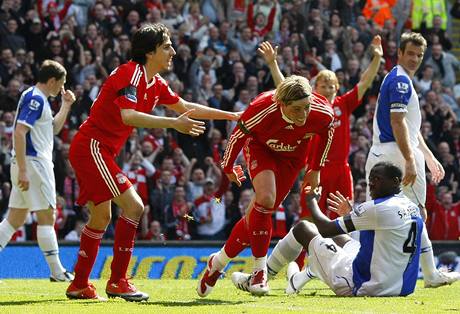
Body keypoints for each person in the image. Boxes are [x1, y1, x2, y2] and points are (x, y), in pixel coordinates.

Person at [66, 23, 241, 302]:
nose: (172, 51)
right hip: (92, 147)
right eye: (167, 46)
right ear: (150, 52)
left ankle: (79, 285)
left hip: (100, 150)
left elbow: (186, 107)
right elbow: (129, 116)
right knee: (134, 207)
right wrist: (175, 124)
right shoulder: (130, 73)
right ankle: (118, 282)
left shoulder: (155, 83)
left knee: (101, 217)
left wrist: (232, 116)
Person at [197, 73, 334, 296]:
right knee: (267, 199)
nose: (303, 114)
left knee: (257, 213)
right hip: (262, 149)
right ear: (281, 104)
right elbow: (237, 137)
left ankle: (217, 263)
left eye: (306, 107)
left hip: (293, 158)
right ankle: (259, 273)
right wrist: (228, 167)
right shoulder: (261, 108)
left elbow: (327, 132)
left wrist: (315, 169)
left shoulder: (322, 112)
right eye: (297, 109)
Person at [234, 162, 425, 297]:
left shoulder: (376, 208)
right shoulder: (410, 206)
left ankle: (260, 277)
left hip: (361, 285)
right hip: (401, 288)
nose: (371, 183)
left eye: (377, 179)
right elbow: (378, 239)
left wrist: (312, 202)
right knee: (343, 238)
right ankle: (305, 274)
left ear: (395, 181)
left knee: (303, 228)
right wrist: (350, 214)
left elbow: (325, 230)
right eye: (370, 179)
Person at [364, 32, 460, 288]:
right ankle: (430, 274)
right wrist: (410, 159)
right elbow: (397, 122)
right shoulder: (401, 83)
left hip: (383, 152)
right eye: (411, 53)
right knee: (416, 213)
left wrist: (428, 156)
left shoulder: (398, 78)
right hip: (395, 153)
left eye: (419, 55)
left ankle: (349, 267)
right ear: (400, 53)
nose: (415, 59)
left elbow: (408, 124)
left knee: (369, 215)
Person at [0, 60, 76, 282]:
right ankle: (57, 272)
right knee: (47, 216)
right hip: (34, 164)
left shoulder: (37, 97)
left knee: (14, 218)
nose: (61, 88)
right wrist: (24, 169)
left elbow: (52, 129)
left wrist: (66, 105)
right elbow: (19, 132)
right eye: (60, 84)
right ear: (51, 80)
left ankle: (57, 271)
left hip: (26, 163)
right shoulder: (35, 99)